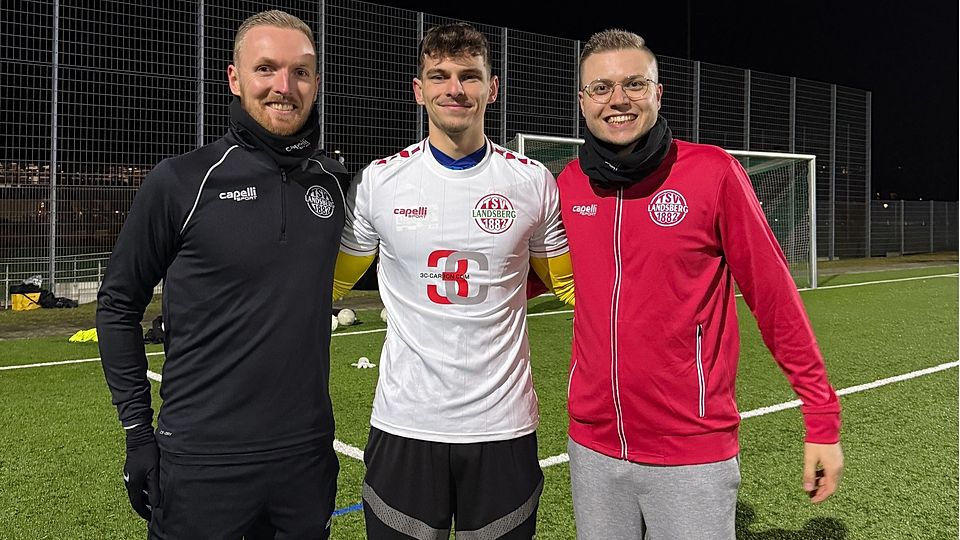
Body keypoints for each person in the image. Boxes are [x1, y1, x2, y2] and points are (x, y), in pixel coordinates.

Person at [556, 29, 844, 540]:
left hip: (691, 451)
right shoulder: (569, 184)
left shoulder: (712, 173)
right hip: (593, 450)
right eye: (600, 88)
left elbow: (773, 298)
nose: (618, 100)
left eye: (634, 84)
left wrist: (821, 415)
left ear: (659, 93)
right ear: (582, 101)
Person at [96, 10, 347, 539]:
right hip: (201, 463)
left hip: (304, 459)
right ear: (234, 78)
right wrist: (138, 433)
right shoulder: (182, 181)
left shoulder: (335, 183)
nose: (285, 87)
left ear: (317, 82)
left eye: (301, 72)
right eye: (266, 69)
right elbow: (118, 304)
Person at [332, 22, 575, 539]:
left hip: (503, 424)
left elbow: (571, 287)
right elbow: (331, 286)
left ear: (492, 87)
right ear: (418, 90)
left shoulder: (532, 182)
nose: (455, 89)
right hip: (406, 423)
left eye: (469, 76)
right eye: (439, 76)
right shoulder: (380, 181)